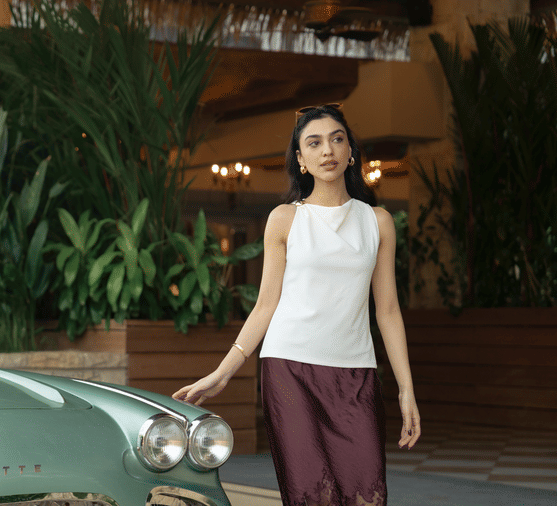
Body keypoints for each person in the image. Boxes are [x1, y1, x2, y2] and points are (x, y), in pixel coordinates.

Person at [173, 104, 420, 506]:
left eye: (337, 139)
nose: (328, 150)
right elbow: (265, 305)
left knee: (367, 494)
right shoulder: (284, 219)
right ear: (301, 160)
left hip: (356, 374)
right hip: (290, 371)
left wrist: (406, 389)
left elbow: (387, 310)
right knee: (311, 496)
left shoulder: (377, 221)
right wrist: (222, 373)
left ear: (351, 153)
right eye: (315, 143)